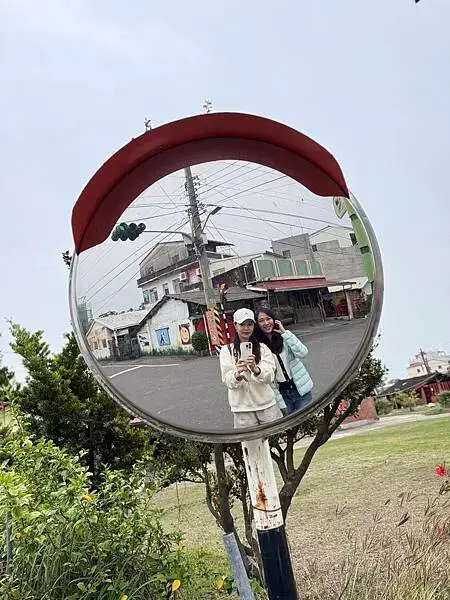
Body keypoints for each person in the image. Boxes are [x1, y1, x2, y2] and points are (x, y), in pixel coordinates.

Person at [219, 308, 283, 428]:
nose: (246, 328)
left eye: (250, 324)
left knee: (275, 438)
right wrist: (237, 374)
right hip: (242, 409)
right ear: (235, 326)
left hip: (267, 405)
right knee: (249, 441)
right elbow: (227, 380)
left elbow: (270, 376)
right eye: (242, 324)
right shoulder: (226, 350)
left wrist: (256, 370)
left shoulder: (262, 348)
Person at [254, 307, 313, 414]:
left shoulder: (285, 337)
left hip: (300, 389)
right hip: (281, 394)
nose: (266, 323)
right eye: (261, 321)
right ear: (257, 324)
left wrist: (285, 333)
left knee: (307, 420)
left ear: (274, 320)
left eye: (268, 319)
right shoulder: (259, 346)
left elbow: (303, 353)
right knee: (291, 423)